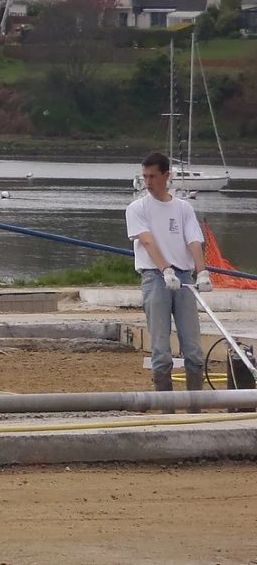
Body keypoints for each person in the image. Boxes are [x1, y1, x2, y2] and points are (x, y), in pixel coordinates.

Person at [126, 152, 212, 414]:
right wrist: (165, 269)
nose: (148, 182)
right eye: (145, 176)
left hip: (184, 278)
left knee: (193, 349)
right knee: (161, 349)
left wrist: (202, 271)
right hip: (155, 277)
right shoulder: (137, 208)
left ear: (166, 176)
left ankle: (194, 408)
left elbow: (193, 240)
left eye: (153, 176)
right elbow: (148, 241)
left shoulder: (183, 208)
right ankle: (167, 409)